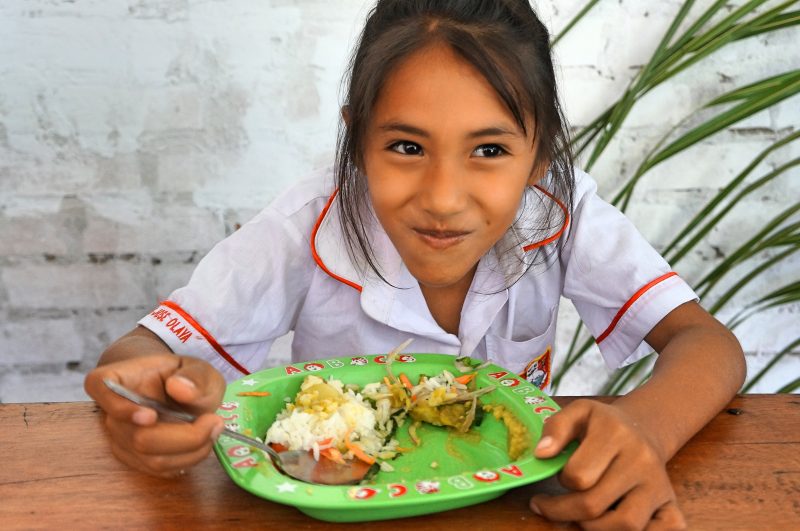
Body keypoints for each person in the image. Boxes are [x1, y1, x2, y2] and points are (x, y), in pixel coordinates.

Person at [84, 1, 746, 529]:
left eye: (488, 150)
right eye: (405, 146)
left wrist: (646, 426)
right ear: (356, 140)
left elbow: (706, 343)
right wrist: (148, 399)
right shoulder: (303, 226)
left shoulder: (559, 209)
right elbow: (144, 352)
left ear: (540, 156)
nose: (442, 198)